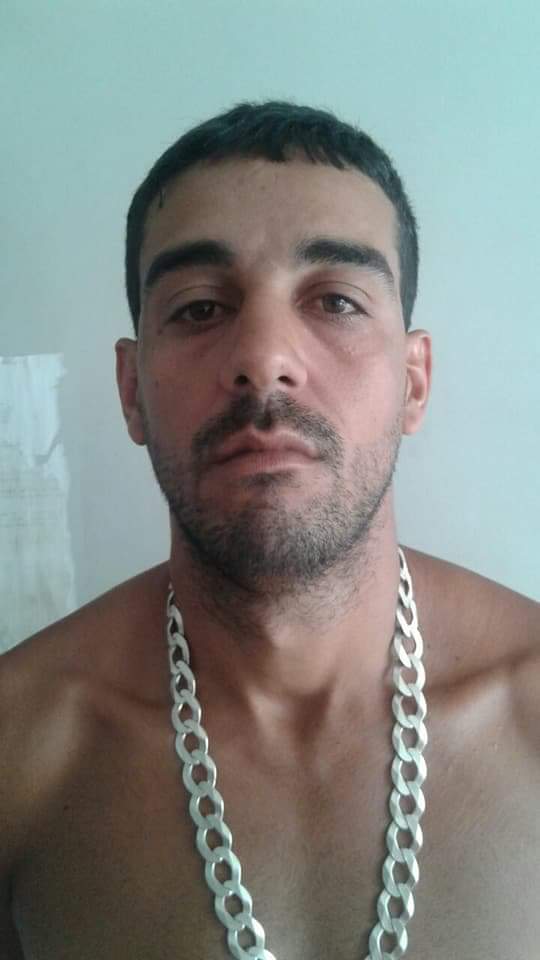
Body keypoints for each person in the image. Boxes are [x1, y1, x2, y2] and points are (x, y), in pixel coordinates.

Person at [1, 100, 538, 960]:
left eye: (336, 300)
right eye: (199, 309)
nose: (264, 357)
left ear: (413, 382)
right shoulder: (19, 747)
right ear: (132, 391)